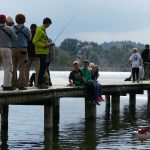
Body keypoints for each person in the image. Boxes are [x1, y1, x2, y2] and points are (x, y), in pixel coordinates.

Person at [11, 13, 32, 90]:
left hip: (13, 49)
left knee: (13, 67)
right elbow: (29, 38)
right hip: (23, 50)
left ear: (16, 20)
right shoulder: (26, 29)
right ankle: (21, 85)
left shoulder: (12, 28)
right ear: (24, 20)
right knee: (22, 68)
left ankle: (13, 84)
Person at [33, 17, 54, 89]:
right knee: (43, 67)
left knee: (43, 67)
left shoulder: (44, 31)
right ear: (47, 23)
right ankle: (40, 83)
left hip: (44, 51)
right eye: (49, 25)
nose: (49, 26)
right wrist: (44, 45)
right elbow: (34, 41)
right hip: (40, 51)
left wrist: (49, 44)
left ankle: (41, 82)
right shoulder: (39, 30)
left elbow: (42, 40)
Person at [0, 14, 17, 90]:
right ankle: (7, 86)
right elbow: (15, 38)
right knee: (8, 68)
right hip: (6, 49)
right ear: (5, 21)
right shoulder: (8, 28)